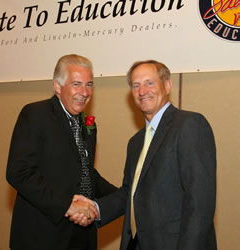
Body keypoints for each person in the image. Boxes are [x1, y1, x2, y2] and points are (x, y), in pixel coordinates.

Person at [72, 60, 217, 250]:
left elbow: (200, 203)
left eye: (150, 83)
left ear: (167, 85)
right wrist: (96, 209)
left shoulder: (189, 125)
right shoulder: (135, 142)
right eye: (136, 85)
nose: (142, 91)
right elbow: (129, 193)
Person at [6, 54, 117, 250]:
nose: (84, 92)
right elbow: (19, 173)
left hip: (82, 236)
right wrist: (67, 206)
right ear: (57, 87)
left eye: (89, 84)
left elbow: (86, 172)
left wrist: (124, 196)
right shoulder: (35, 114)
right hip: (43, 236)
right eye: (77, 84)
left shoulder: (88, 124)